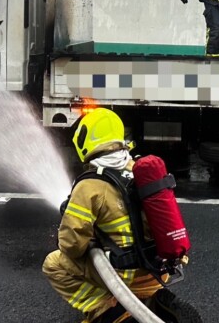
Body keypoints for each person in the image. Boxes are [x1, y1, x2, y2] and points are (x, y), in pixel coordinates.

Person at [43, 108, 163, 323]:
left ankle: (106, 311)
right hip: (158, 270)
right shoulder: (139, 169)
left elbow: (72, 246)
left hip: (125, 275)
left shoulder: (90, 185)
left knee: (53, 264)